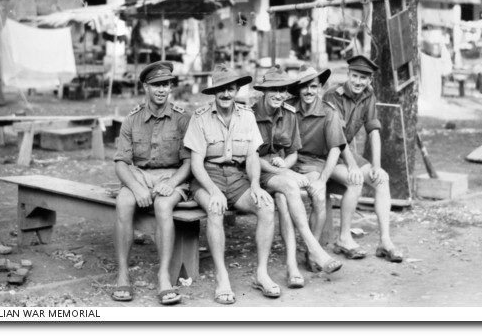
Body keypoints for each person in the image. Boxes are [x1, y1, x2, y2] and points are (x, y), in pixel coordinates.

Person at [183, 64, 279, 304]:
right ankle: (222, 276)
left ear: (237, 91)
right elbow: (196, 164)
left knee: (266, 207)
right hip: (207, 177)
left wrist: (256, 185)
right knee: (216, 208)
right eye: (222, 89)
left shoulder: (246, 116)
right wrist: (214, 191)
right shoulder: (200, 117)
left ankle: (261, 273)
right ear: (214, 91)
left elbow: (252, 156)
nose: (226, 94)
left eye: (231, 89)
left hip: (237, 177)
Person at [252, 65, 342, 286]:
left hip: (280, 174)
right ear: (263, 91)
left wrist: (286, 166)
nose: (279, 95)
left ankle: (292, 266)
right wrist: (285, 171)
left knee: (283, 198)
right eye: (273, 90)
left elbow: (293, 152)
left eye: (283, 90)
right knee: (290, 188)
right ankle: (314, 247)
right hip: (256, 173)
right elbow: (251, 158)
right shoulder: (250, 115)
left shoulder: (288, 113)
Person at [112, 61, 191, 305]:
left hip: (173, 176)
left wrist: (173, 182)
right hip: (140, 175)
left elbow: (190, 162)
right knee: (124, 202)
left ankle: (164, 275)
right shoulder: (132, 120)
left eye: (166, 84)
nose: (161, 90)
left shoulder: (182, 118)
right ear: (146, 87)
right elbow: (121, 163)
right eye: (156, 85)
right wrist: (136, 187)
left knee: (163, 206)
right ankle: (123, 273)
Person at [323, 54, 404, 262]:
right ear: (348, 75)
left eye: (364, 78)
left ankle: (385, 241)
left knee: (381, 179)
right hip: (325, 154)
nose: (359, 82)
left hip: (346, 152)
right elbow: (337, 136)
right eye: (355, 76)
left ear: (370, 80)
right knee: (355, 179)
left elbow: (373, 130)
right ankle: (343, 238)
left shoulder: (368, 94)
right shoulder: (334, 95)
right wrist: (352, 165)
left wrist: (376, 165)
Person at [286, 64, 362, 253]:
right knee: (283, 195)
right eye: (304, 86)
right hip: (289, 161)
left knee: (319, 194)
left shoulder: (329, 112)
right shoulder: (288, 108)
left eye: (313, 86)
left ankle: (314, 248)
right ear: (298, 89)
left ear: (320, 88)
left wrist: (322, 180)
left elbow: (336, 149)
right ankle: (301, 246)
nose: (309, 91)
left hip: (315, 164)